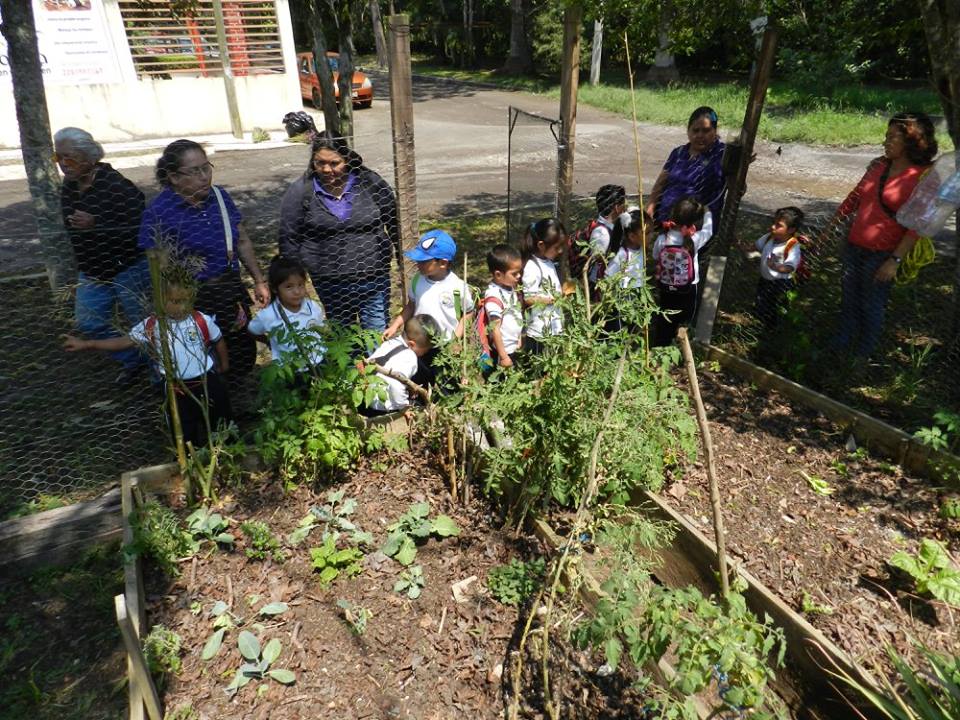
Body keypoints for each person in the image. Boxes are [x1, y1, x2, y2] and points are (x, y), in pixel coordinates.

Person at [139, 139, 268, 377]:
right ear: (174, 177)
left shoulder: (220, 197)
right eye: (195, 171)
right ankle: (210, 398)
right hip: (190, 297)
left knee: (240, 344)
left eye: (206, 167)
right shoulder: (159, 212)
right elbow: (157, 264)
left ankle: (234, 391)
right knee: (202, 351)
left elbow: (241, 240)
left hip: (228, 289)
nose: (204, 176)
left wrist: (259, 280)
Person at [63, 268, 232, 446]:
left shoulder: (200, 320)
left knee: (221, 422)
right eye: (175, 301)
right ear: (160, 299)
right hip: (176, 389)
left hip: (207, 382)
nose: (182, 307)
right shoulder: (153, 325)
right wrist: (88, 344)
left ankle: (226, 453)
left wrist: (224, 365)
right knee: (183, 430)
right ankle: (190, 461)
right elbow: (124, 342)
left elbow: (218, 340)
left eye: (186, 301)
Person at [828, 112, 938, 357]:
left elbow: (916, 226)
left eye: (893, 137)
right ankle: (839, 351)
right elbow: (854, 199)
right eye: (885, 136)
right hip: (853, 248)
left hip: (882, 255)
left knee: (871, 306)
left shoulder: (923, 178)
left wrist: (894, 261)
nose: (885, 142)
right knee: (848, 301)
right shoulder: (878, 166)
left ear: (912, 141)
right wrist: (829, 229)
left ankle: (862, 357)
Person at [54, 127, 149, 384]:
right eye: (58, 157)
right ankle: (133, 359)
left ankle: (162, 377)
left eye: (69, 158)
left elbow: (139, 228)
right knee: (89, 323)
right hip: (92, 269)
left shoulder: (117, 186)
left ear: (89, 157)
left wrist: (97, 224)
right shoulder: (70, 186)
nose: (63, 164)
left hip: (128, 267)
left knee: (144, 327)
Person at [278, 132, 400, 331]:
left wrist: (405, 264)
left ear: (347, 159)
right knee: (343, 338)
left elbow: (395, 224)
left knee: (376, 335)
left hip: (373, 279)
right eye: (320, 163)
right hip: (330, 283)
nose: (327, 169)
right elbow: (289, 238)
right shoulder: (301, 191)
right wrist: (294, 281)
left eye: (335, 163)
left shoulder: (370, 183)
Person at [384, 229, 474, 387]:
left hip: (445, 344)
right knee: (419, 379)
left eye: (424, 261)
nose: (418, 264)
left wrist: (455, 340)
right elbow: (411, 306)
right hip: (419, 343)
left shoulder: (458, 288)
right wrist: (395, 325)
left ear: (443, 263)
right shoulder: (417, 280)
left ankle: (446, 405)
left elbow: (467, 314)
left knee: (446, 381)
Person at [645, 106, 727, 225]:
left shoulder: (721, 155)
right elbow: (661, 181)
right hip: (666, 221)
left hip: (696, 227)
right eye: (695, 130)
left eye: (706, 130)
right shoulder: (678, 153)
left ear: (715, 131)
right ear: (688, 131)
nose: (700, 135)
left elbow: (737, 186)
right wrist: (651, 206)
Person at [651, 198, 713, 346]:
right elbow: (709, 231)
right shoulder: (695, 239)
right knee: (684, 320)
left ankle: (661, 346)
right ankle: (680, 347)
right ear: (693, 223)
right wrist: (708, 212)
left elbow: (655, 256)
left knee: (665, 317)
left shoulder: (662, 238)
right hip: (688, 288)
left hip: (666, 287)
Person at [247, 255, 326, 369]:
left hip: (318, 360)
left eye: (300, 284)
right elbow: (252, 330)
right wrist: (270, 341)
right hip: (289, 368)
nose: (297, 291)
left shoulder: (312, 306)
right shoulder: (268, 315)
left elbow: (321, 329)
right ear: (275, 288)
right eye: (289, 287)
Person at [362, 314, 438, 416]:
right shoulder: (409, 357)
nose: (425, 353)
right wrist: (404, 408)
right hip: (383, 406)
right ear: (412, 344)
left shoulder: (390, 343)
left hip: (368, 399)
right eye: (425, 350)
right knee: (418, 409)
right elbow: (395, 384)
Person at [752, 207, 805, 329]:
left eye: (778, 225)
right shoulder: (769, 237)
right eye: (774, 222)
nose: (773, 227)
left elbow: (789, 267)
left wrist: (775, 267)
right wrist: (738, 243)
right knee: (761, 302)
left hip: (781, 283)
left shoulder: (792, 246)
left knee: (775, 307)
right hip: (765, 280)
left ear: (791, 229)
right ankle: (760, 323)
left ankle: (773, 329)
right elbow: (753, 247)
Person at [522, 218, 566, 356]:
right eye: (556, 247)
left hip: (553, 326)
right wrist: (551, 299)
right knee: (538, 366)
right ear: (541, 245)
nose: (560, 251)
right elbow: (528, 298)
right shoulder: (532, 267)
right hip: (539, 331)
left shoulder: (549, 262)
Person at [605, 208, 651, 335]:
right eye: (646, 233)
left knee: (632, 329)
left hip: (637, 296)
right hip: (621, 301)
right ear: (632, 236)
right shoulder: (622, 255)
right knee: (619, 331)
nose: (650, 236)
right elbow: (608, 276)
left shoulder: (641, 249)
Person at [481, 244, 524, 371]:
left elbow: (515, 314)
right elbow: (495, 329)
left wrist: (518, 338)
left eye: (519, 272)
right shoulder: (494, 296)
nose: (519, 276)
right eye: (514, 274)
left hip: (513, 347)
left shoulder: (510, 287)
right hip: (502, 353)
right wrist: (503, 356)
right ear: (498, 275)